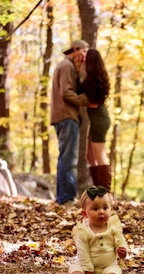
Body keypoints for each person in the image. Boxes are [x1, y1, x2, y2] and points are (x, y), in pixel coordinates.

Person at [51, 40, 89, 205]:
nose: (85, 55)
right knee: (69, 159)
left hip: (62, 116)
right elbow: (66, 92)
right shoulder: (67, 66)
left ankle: (62, 197)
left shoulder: (66, 66)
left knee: (64, 158)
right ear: (75, 50)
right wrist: (84, 100)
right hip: (67, 116)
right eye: (84, 51)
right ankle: (66, 198)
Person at [69, 185, 128, 274]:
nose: (101, 211)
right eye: (95, 209)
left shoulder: (113, 226)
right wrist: (88, 269)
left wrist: (122, 249)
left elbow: (120, 240)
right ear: (85, 213)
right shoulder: (83, 230)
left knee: (115, 270)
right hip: (86, 265)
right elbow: (83, 251)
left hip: (108, 266)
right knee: (75, 268)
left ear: (111, 209)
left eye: (105, 208)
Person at [78, 49, 112, 190]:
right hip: (98, 119)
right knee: (90, 157)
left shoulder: (92, 79)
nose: (83, 58)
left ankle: (105, 192)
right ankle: (99, 189)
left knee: (100, 156)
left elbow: (78, 89)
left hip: (99, 120)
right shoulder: (94, 76)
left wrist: (79, 68)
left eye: (86, 57)